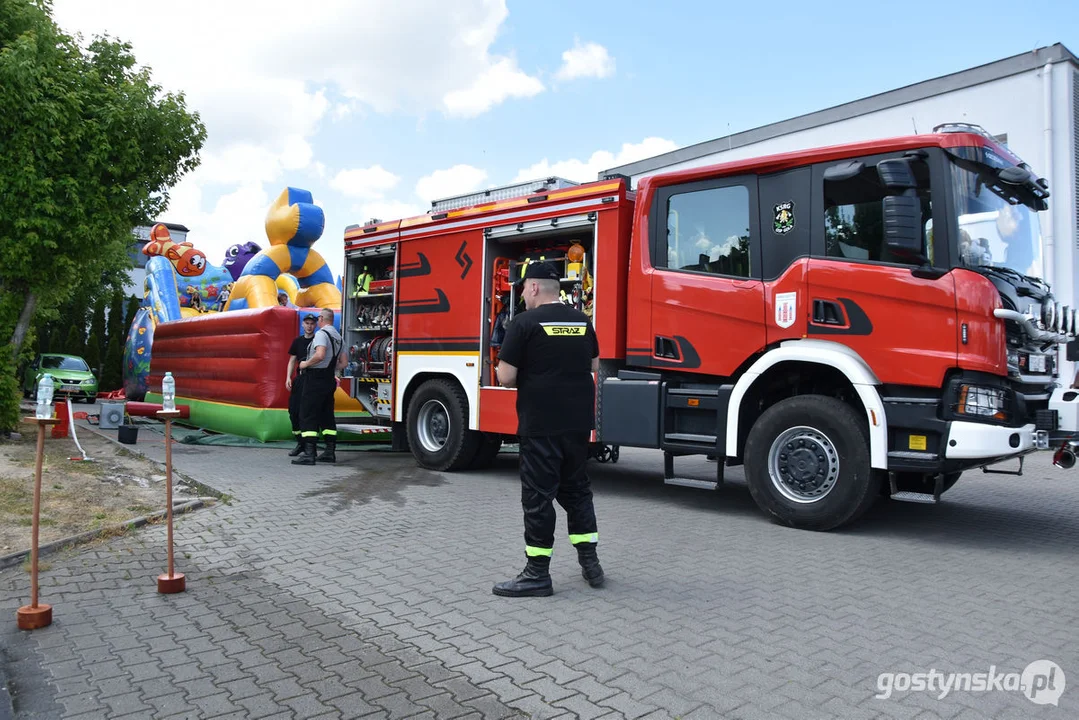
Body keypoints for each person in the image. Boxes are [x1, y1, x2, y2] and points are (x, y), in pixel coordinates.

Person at [492, 260, 602, 597]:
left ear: (535, 287)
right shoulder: (583, 322)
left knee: (539, 497)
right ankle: (590, 563)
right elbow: (594, 365)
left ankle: (537, 573)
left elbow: (506, 377)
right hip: (577, 424)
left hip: (541, 423)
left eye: (524, 287)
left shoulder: (523, 323)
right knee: (576, 490)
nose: (523, 293)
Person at [292, 308, 346, 465]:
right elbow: (344, 363)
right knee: (326, 415)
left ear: (321, 318)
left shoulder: (321, 334)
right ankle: (330, 452)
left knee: (307, 414)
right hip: (329, 380)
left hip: (314, 379)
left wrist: (305, 364)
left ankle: (309, 453)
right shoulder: (339, 338)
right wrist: (329, 367)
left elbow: (320, 354)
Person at [285, 313, 318, 457]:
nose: (309, 326)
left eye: (312, 323)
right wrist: (288, 377)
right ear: (303, 325)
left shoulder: (318, 341)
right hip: (300, 380)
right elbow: (292, 360)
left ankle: (310, 446)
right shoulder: (297, 341)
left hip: (313, 380)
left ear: (315, 325)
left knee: (308, 413)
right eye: (307, 323)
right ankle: (300, 443)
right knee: (293, 411)